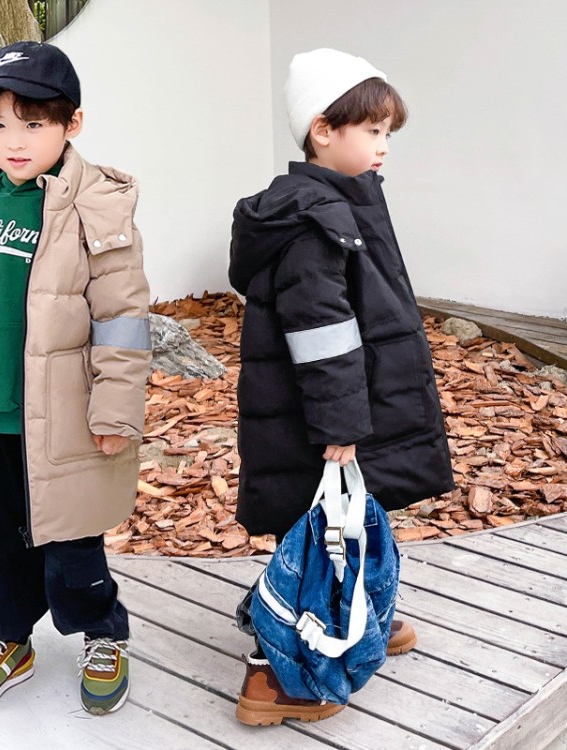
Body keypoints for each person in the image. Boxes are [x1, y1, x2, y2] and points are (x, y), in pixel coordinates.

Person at [0, 41, 151, 715]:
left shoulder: (98, 206)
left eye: (34, 124)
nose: (14, 141)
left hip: (61, 415)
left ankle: (102, 632)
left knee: (72, 540)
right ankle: (7, 635)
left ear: (72, 124)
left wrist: (114, 411)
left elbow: (122, 320)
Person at [228, 48, 454, 725]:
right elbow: (320, 332)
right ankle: (275, 679)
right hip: (319, 421)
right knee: (318, 531)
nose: (384, 146)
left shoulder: (344, 201)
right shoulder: (313, 221)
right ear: (322, 130)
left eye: (388, 132)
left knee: (343, 521)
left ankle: (357, 619)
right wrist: (341, 426)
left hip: (340, 409)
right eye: (372, 131)